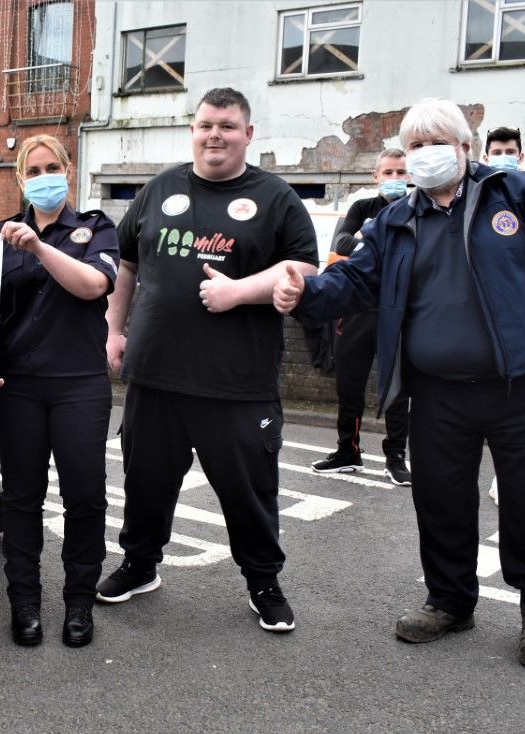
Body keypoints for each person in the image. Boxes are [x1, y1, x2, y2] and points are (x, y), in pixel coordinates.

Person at [274, 98, 525, 670]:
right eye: (415, 145)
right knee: (441, 500)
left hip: (522, 381)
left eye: (435, 142)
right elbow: (353, 279)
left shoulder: (514, 194)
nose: (424, 155)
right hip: (437, 389)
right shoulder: (395, 221)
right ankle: (451, 601)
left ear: (465, 148)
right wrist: (305, 293)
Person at [95, 87, 319, 633]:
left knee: (249, 493)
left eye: (226, 126)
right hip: (155, 375)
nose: (214, 135)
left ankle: (263, 582)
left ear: (247, 134)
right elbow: (126, 264)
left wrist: (238, 292)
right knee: (145, 481)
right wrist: (113, 329)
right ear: (192, 131)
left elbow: (305, 271)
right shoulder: (159, 189)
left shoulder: (276, 198)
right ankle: (140, 565)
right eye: (204, 125)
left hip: (236, 383)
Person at [0, 135, 119, 648]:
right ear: (20, 180)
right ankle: (25, 603)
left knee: (84, 496)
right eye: (31, 170)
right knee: (20, 499)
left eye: (50, 166)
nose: (42, 177)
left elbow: (92, 286)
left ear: (68, 168)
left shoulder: (96, 229)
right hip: (17, 387)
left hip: (78, 383)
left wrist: (37, 246)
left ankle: (79, 602)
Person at [311, 149, 412, 484]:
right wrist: (372, 238)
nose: (395, 179)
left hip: (396, 312)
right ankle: (347, 451)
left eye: (400, 172)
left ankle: (395, 456)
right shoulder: (362, 208)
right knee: (349, 384)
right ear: (375, 175)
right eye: (388, 172)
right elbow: (340, 241)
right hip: (355, 311)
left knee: (397, 390)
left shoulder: (417, 209)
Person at [481, 127, 525, 504]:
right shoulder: (478, 202)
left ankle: (505, 477)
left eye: (509, 151)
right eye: (496, 151)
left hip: (521, 337)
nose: (503, 157)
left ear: (520, 157)